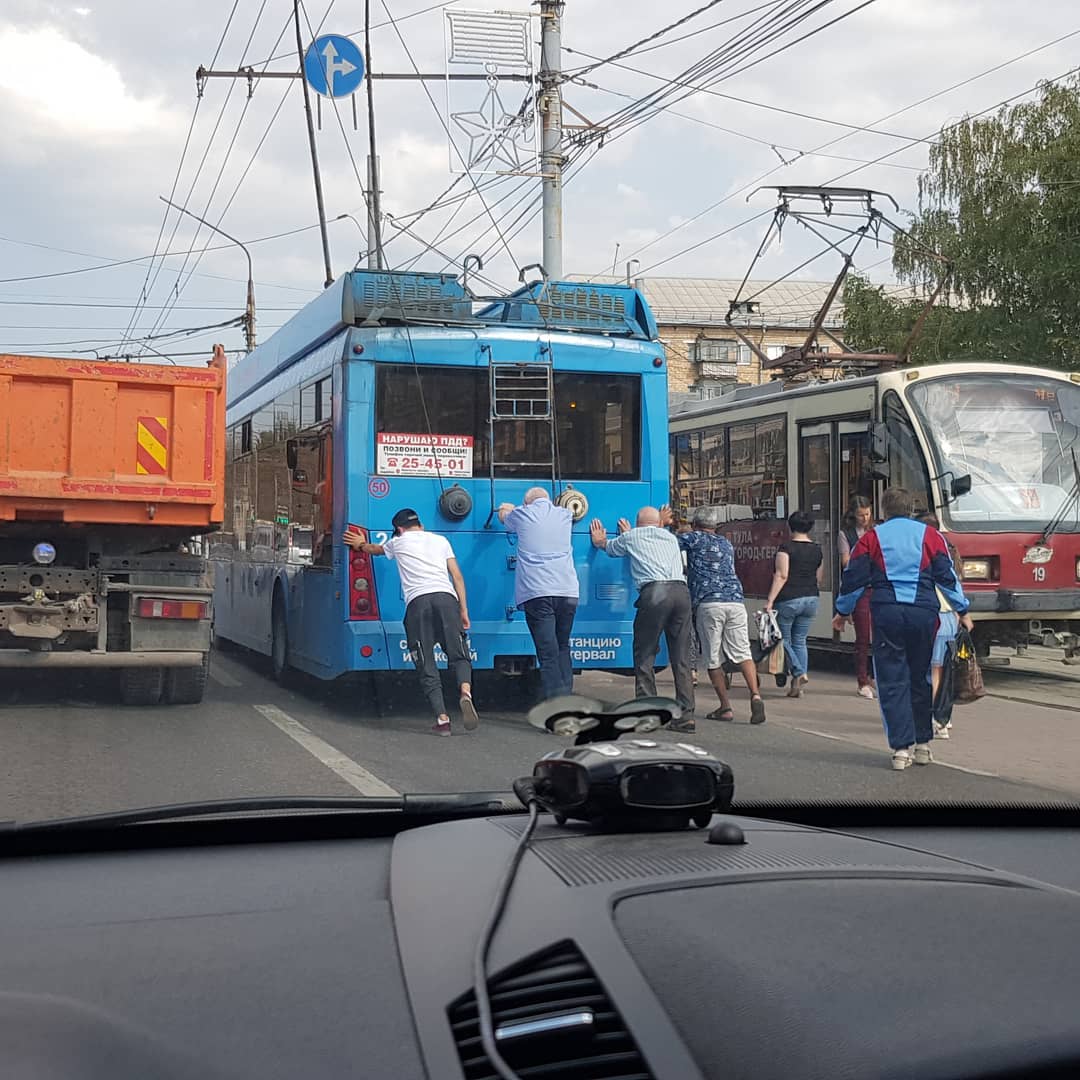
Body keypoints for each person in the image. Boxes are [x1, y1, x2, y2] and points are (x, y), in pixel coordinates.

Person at [833, 487, 973, 771]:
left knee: (892, 679)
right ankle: (923, 744)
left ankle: (901, 749)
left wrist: (842, 611)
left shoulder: (872, 537)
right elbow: (947, 578)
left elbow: (853, 578)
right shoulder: (932, 537)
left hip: (887, 613)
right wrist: (963, 610)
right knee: (921, 676)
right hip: (924, 613)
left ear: (884, 511)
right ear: (911, 509)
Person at [344, 509, 479, 737]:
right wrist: (463, 610)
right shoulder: (441, 540)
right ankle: (465, 692)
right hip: (447, 600)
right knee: (459, 654)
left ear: (399, 529)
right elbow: (457, 576)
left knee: (426, 660)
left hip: (418, 604)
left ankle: (442, 718)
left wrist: (360, 543)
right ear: (420, 525)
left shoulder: (398, 542)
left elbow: (374, 550)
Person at [590, 507, 695, 732]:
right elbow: (650, 535)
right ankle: (686, 715)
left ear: (637, 522)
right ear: (658, 523)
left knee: (645, 652)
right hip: (681, 593)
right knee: (681, 657)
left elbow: (608, 548)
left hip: (655, 593)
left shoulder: (631, 537)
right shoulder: (670, 537)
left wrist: (600, 540)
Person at [663, 505, 766, 725]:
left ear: (695, 525)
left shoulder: (694, 538)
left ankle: (725, 707)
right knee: (743, 652)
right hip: (736, 600)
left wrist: (664, 523)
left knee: (712, 657)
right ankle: (755, 695)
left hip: (709, 603)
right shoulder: (725, 543)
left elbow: (667, 542)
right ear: (715, 526)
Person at [497, 488, 579, 700]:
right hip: (568, 592)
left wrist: (507, 509)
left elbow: (505, 518)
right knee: (562, 646)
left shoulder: (522, 514)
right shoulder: (565, 514)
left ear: (527, 503)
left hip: (538, 593)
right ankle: (568, 701)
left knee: (547, 653)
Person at [765, 510, 823, 699]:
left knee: (783, 640)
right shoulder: (817, 549)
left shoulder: (786, 548)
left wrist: (770, 600)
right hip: (811, 599)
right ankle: (797, 686)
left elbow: (781, 575)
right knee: (800, 640)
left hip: (789, 599)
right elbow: (819, 578)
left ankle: (798, 672)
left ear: (790, 527)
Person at [920, 512, 963, 739]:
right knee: (943, 671)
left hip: (932, 616)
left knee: (930, 672)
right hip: (950, 620)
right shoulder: (951, 554)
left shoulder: (926, 556)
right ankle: (945, 718)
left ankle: (936, 719)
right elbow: (957, 591)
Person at [839, 496, 875, 699]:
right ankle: (862, 680)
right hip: (859, 588)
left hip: (876, 586)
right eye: (861, 515)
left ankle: (872, 675)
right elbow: (846, 562)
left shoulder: (876, 530)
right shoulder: (846, 534)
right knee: (863, 637)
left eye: (868, 514)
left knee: (880, 636)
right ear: (853, 514)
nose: (865, 518)